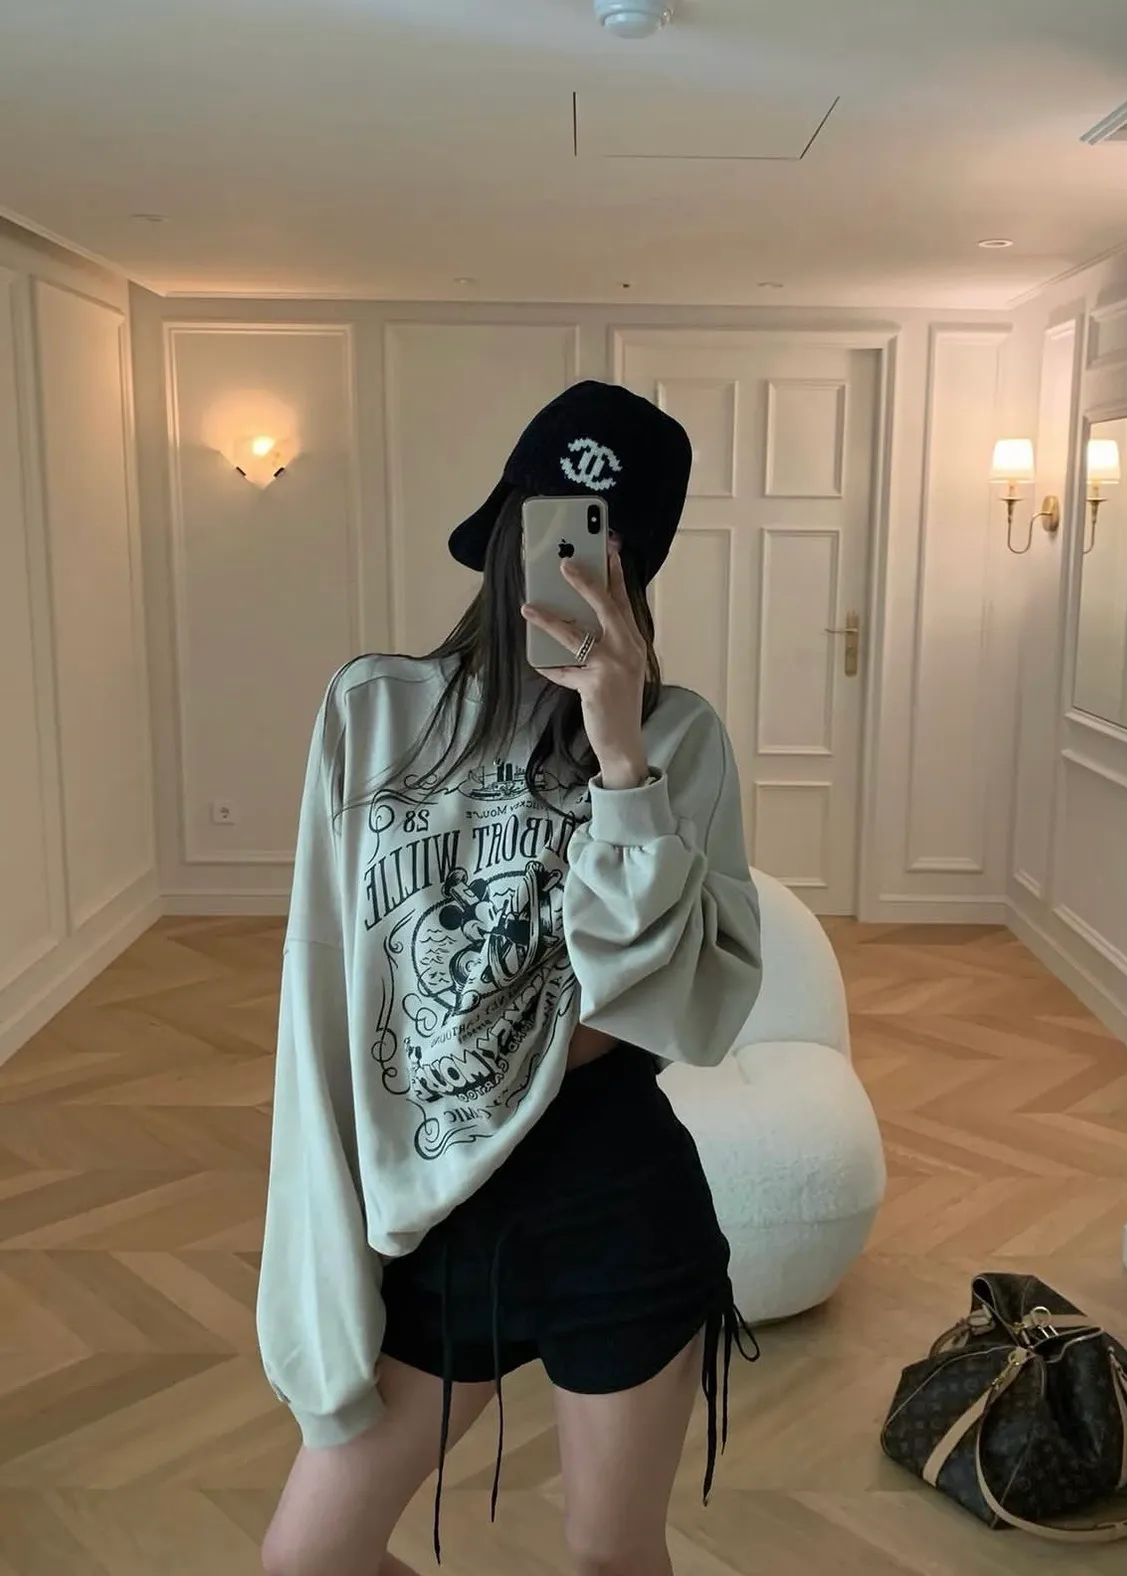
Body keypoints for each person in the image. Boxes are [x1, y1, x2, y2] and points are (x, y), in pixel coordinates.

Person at [258, 381, 764, 1576]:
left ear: (637, 570)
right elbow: (322, 985)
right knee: (305, 1560)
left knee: (609, 1557)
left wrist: (622, 757)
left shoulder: (678, 739)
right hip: (436, 1213)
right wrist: (323, 1228)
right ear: (505, 529)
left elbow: (668, 1011)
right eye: (553, 528)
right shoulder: (375, 711)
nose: (571, 570)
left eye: (605, 546)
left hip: (615, 1205)